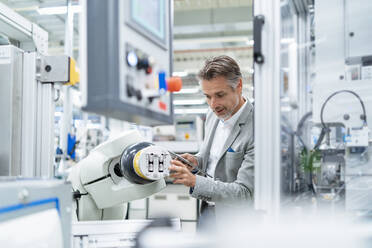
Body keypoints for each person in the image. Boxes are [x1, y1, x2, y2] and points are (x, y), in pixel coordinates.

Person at [169, 55, 254, 227]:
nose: (213, 104)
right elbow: (213, 159)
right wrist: (196, 161)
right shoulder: (213, 116)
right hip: (207, 211)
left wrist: (195, 182)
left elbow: (245, 193)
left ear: (238, 86)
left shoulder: (257, 128)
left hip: (236, 223)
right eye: (207, 96)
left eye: (220, 95)